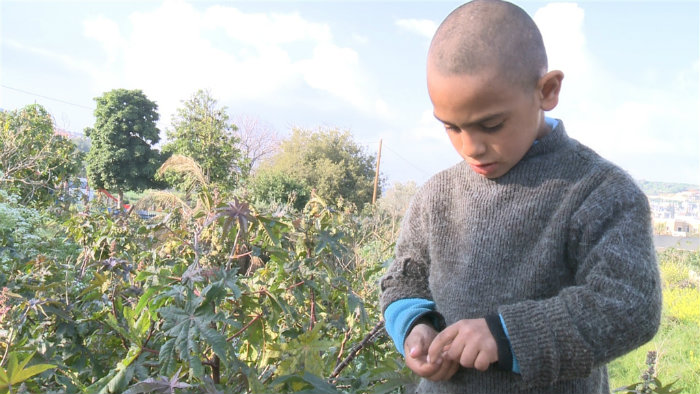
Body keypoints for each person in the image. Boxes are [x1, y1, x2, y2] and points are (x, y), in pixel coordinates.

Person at [379, 0, 662, 393]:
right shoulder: (436, 196)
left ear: (547, 91)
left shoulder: (600, 192)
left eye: (491, 124)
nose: (470, 147)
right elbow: (402, 280)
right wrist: (415, 326)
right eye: (451, 128)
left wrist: (507, 334)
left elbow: (630, 306)